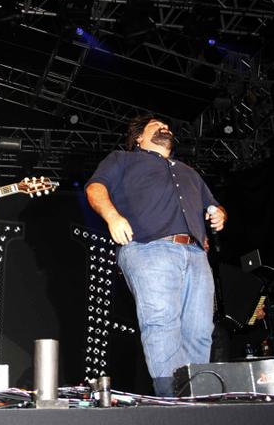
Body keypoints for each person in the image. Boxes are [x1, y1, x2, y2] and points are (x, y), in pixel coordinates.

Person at [85, 115, 226, 397]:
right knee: (162, 323)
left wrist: (219, 213)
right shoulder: (123, 160)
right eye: (156, 126)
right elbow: (95, 188)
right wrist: (112, 217)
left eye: (168, 127)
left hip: (196, 255)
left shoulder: (189, 172)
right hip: (149, 249)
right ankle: (172, 400)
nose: (166, 128)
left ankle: (197, 399)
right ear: (138, 137)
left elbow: (213, 205)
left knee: (200, 330)